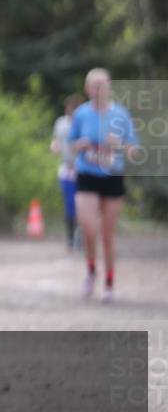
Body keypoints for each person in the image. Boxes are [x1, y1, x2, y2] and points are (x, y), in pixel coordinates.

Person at [70, 68, 139, 303]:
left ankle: (109, 282)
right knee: (89, 228)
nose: (99, 89)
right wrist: (81, 144)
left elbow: (134, 150)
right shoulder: (81, 114)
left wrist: (119, 145)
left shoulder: (121, 114)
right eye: (95, 85)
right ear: (88, 88)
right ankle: (91, 271)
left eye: (104, 84)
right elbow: (70, 145)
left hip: (112, 176)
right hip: (87, 175)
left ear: (110, 87)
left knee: (107, 235)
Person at [51, 94, 84, 250]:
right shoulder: (61, 123)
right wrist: (55, 146)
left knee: (83, 205)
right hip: (66, 168)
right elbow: (56, 140)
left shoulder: (85, 123)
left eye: (75, 109)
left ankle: (81, 234)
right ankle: (71, 237)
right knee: (70, 204)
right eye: (70, 109)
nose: (71, 112)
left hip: (83, 169)